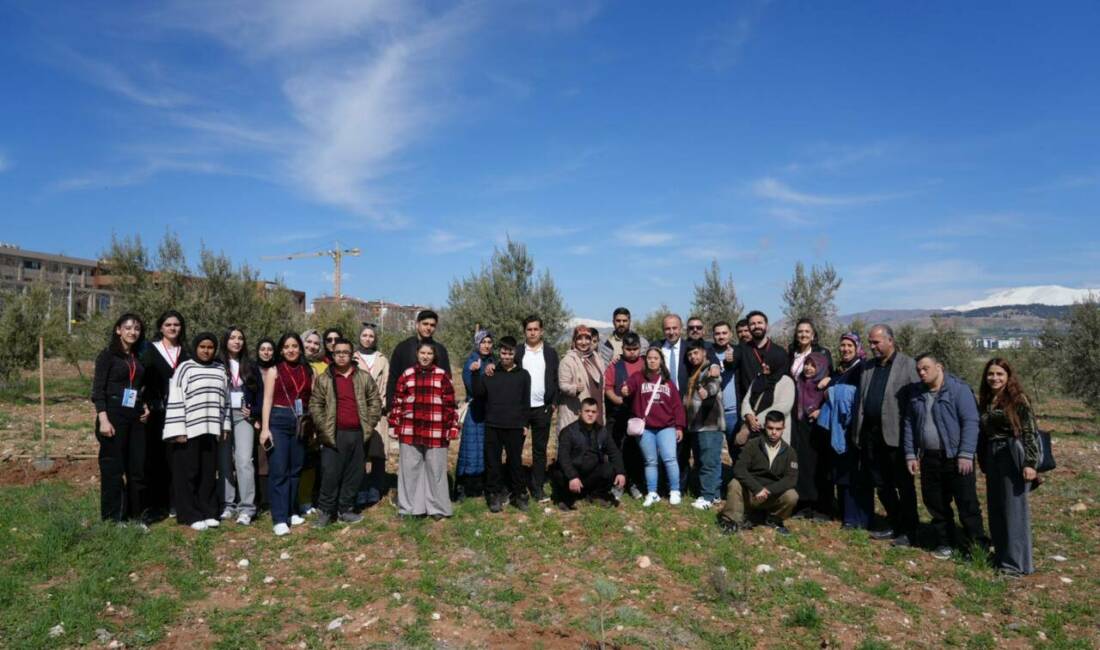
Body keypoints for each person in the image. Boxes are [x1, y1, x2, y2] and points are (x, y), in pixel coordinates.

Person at [902, 354, 987, 560]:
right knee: (935, 502)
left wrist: (966, 453)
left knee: (966, 503)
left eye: (926, 368)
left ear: (939, 367)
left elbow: (970, 421)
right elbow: (909, 424)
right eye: (919, 370)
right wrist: (910, 454)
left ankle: (976, 546)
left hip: (956, 457)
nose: (921, 373)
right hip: (929, 457)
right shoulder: (916, 393)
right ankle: (945, 541)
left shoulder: (958, 389)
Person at [853, 324, 920, 547]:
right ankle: (894, 523)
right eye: (870, 342)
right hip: (871, 436)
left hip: (896, 437)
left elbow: (915, 404)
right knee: (881, 484)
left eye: (876, 342)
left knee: (904, 486)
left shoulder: (908, 365)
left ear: (890, 340)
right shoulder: (867, 367)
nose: (872, 347)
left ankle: (910, 530)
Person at [310, 338, 383, 526]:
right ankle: (326, 511)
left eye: (345, 352)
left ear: (352, 355)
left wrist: (369, 423)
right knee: (330, 474)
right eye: (337, 353)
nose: (341, 356)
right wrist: (323, 426)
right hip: (334, 434)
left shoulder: (363, 377)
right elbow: (315, 404)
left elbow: (375, 401)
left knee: (354, 473)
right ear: (333, 355)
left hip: (358, 433)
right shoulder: (325, 378)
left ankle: (346, 509)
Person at [163, 333, 230, 531]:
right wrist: (178, 430)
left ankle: (208, 511)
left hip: (211, 429)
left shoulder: (220, 369)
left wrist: (224, 426)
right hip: (189, 430)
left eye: (210, 347)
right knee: (188, 473)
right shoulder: (185, 367)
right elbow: (175, 397)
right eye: (202, 346)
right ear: (196, 347)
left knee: (209, 473)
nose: (206, 350)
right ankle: (189, 513)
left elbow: (225, 401)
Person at [978, 358, 1039, 576]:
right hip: (993, 456)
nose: (994, 378)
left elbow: (1030, 431)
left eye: (999, 374)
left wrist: (1031, 463)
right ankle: (1002, 557)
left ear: (1008, 376)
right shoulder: (987, 400)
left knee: (1014, 511)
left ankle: (1017, 564)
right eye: (991, 374)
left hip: (1012, 454)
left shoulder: (1017, 399)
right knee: (996, 509)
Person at [388, 342, 460, 519]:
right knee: (409, 470)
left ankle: (438, 509)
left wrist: (452, 427)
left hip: (436, 429)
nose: (425, 356)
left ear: (434, 356)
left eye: (429, 353)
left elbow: (451, 405)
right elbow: (397, 401)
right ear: (417, 354)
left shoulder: (443, 376)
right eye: (422, 353)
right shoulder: (407, 375)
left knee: (436, 471)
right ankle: (409, 508)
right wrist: (394, 424)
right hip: (410, 429)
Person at [92, 313, 150, 525]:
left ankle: (137, 517)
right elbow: (98, 390)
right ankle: (112, 519)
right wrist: (103, 420)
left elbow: (137, 387)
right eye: (128, 328)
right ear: (118, 330)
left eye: (136, 328)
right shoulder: (107, 356)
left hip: (135, 417)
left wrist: (144, 405)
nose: (132, 332)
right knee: (113, 470)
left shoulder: (136, 357)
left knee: (137, 468)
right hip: (113, 415)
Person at [260, 333, 312, 536]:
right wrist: (265, 428)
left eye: (295, 346)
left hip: (301, 421)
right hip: (279, 419)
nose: (291, 350)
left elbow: (312, 397)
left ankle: (291, 510)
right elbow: (267, 400)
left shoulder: (307, 370)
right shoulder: (275, 370)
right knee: (279, 469)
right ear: (281, 350)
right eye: (287, 346)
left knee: (296, 468)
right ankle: (279, 518)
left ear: (300, 348)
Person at [471, 336, 532, 512]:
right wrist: (476, 373)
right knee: (493, 463)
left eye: (509, 353)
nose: (506, 356)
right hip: (493, 425)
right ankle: (493, 495)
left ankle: (519, 494)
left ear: (515, 353)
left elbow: (525, 401)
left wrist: (525, 424)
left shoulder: (523, 375)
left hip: (514, 426)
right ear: (499, 352)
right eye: (503, 352)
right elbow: (479, 394)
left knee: (515, 463)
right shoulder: (490, 373)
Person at [621, 347, 686, 507]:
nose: (652, 360)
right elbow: (628, 387)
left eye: (655, 358)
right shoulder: (638, 377)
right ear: (645, 360)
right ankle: (652, 493)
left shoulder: (668, 382)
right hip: (646, 428)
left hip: (666, 427)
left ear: (661, 361)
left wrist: (679, 426)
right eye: (649, 358)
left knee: (670, 459)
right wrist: (625, 389)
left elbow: (677, 406)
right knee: (650, 461)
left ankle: (675, 491)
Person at [717, 411, 799, 536]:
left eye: (778, 429)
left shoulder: (789, 452)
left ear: (783, 428)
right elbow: (739, 468)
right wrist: (757, 488)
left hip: (771, 495)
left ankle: (774, 520)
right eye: (770, 428)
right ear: (765, 426)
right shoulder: (753, 444)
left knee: (792, 495)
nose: (774, 432)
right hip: (750, 492)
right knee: (734, 484)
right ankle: (731, 522)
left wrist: (768, 490)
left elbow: (791, 479)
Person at [821, 332, 872, 529]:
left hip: (855, 428)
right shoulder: (841, 370)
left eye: (849, 345)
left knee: (855, 474)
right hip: (839, 429)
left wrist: (832, 390)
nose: (845, 349)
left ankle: (857, 518)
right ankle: (846, 514)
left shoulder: (862, 368)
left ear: (857, 347)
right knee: (841, 472)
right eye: (842, 345)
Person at [141, 310, 188, 519]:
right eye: (168, 324)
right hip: (157, 412)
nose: (172, 328)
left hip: (181, 412)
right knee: (155, 456)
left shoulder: (186, 352)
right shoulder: (149, 350)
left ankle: (175, 502)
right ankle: (155, 503)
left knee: (177, 457)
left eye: (176, 324)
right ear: (161, 327)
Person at [514, 315, 560, 502]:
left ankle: (537, 487)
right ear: (525, 331)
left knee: (540, 451)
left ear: (541, 331)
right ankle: (516, 487)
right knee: (515, 449)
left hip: (543, 408)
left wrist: (554, 403)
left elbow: (556, 378)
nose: (532, 332)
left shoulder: (550, 353)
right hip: (520, 409)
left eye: (535, 329)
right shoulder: (517, 351)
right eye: (529, 329)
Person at [552, 398, 627, 510]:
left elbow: (614, 453)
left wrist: (621, 472)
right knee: (558, 474)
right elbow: (563, 457)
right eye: (587, 411)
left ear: (597, 414)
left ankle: (596, 495)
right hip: (572, 474)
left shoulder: (602, 431)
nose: (590, 415)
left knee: (610, 469)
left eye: (593, 412)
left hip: (591, 474)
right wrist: (572, 476)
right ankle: (565, 498)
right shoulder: (568, 432)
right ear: (580, 412)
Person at [218, 326, 260, 525]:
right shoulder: (217, 363)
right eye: (233, 337)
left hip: (243, 416)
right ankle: (228, 504)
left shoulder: (250, 365)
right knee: (225, 461)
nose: (237, 341)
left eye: (240, 338)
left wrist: (254, 410)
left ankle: (247, 507)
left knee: (244, 460)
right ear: (225, 340)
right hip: (222, 415)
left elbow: (259, 392)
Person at [683, 339, 725, 510]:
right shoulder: (694, 372)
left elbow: (715, 384)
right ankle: (714, 494)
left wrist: (706, 392)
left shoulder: (710, 369)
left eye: (696, 353)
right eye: (690, 354)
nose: (693, 357)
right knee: (704, 460)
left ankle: (706, 497)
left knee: (709, 461)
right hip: (697, 425)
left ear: (704, 353)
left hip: (710, 424)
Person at [603, 331, 646, 499]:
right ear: (623, 348)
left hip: (640, 416)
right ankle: (618, 485)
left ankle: (635, 483)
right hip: (619, 415)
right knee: (617, 450)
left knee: (636, 450)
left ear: (639, 348)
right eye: (628, 349)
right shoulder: (615, 365)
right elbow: (608, 389)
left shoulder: (645, 364)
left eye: (635, 348)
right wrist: (619, 400)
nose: (632, 352)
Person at [791, 352, 833, 520]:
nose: (808, 368)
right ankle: (803, 505)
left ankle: (822, 507)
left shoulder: (826, 386)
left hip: (820, 431)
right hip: (801, 430)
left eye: (813, 365)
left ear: (821, 367)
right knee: (803, 468)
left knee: (820, 468)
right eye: (806, 364)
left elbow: (831, 405)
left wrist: (821, 411)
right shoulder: (799, 383)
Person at [386, 310, 452, 412]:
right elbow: (393, 379)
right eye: (425, 324)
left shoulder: (440, 350)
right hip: (407, 409)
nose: (428, 328)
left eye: (432, 325)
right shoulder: (403, 348)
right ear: (417, 325)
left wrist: (448, 410)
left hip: (433, 409)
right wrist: (390, 407)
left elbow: (447, 382)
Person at [353, 324, 390, 508]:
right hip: (357, 411)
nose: (368, 338)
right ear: (359, 337)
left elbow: (388, 382)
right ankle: (360, 488)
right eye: (364, 335)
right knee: (359, 452)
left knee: (378, 452)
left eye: (371, 336)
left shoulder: (382, 359)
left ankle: (375, 487)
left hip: (379, 410)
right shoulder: (352, 358)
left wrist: (383, 405)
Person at [456, 330, 494, 501]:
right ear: (477, 344)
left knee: (486, 448)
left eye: (489, 342)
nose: (486, 345)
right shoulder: (471, 362)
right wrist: (478, 373)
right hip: (474, 411)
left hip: (489, 411)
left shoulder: (493, 361)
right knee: (470, 448)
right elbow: (472, 388)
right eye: (483, 342)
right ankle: (461, 487)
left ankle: (482, 485)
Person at [558, 325, 607, 431]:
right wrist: (574, 389)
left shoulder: (597, 358)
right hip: (576, 411)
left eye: (587, 338)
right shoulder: (568, 360)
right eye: (579, 338)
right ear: (574, 340)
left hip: (597, 408)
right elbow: (563, 385)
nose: (584, 342)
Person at [740, 363, 796, 444]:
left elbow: (783, 407)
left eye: (767, 362)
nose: (763, 364)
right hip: (753, 429)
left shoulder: (786, 381)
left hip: (772, 430)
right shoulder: (758, 378)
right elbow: (747, 400)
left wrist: (757, 421)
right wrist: (749, 416)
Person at [711, 321, 741, 465]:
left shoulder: (738, 352)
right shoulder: (708, 353)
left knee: (737, 452)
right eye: (717, 333)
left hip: (733, 412)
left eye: (724, 333)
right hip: (713, 412)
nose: (721, 336)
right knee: (712, 453)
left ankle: (738, 484)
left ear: (730, 334)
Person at [253, 338, 277, 512]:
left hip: (274, 417)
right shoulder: (252, 369)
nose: (266, 352)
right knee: (259, 460)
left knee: (271, 458)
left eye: (269, 349)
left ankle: (271, 497)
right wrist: (255, 416)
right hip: (255, 420)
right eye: (263, 349)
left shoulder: (278, 369)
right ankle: (261, 499)